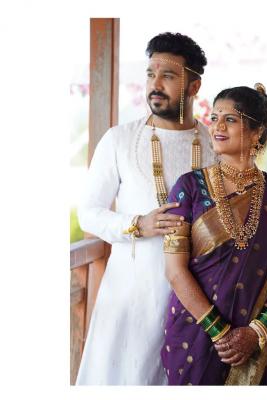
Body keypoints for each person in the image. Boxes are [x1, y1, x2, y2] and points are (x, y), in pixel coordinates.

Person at [76, 32, 216, 385]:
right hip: (131, 298)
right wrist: (137, 224)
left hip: (197, 302)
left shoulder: (214, 145)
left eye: (167, 76)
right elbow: (88, 212)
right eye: (151, 74)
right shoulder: (119, 139)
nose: (155, 84)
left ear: (194, 85)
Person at [161, 84, 267, 385]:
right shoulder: (189, 188)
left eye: (230, 119)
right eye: (214, 117)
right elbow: (174, 271)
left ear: (257, 132)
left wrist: (256, 332)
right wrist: (220, 332)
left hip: (257, 338)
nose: (217, 126)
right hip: (194, 333)